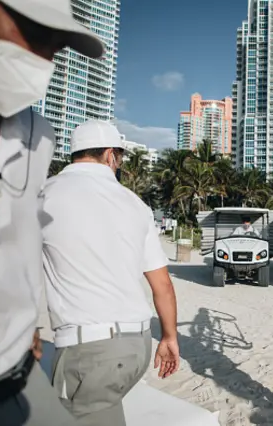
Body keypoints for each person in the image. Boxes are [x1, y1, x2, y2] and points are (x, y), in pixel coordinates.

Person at [0, 0, 104, 424]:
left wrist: (25, 325)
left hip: (21, 380)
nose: (43, 56)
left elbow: (14, 239)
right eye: (32, 30)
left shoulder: (40, 136)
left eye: (56, 44)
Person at [40, 120, 181, 426]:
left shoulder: (44, 194)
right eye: (120, 157)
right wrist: (169, 336)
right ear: (109, 155)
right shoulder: (136, 204)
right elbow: (163, 286)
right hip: (138, 344)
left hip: (90, 348)